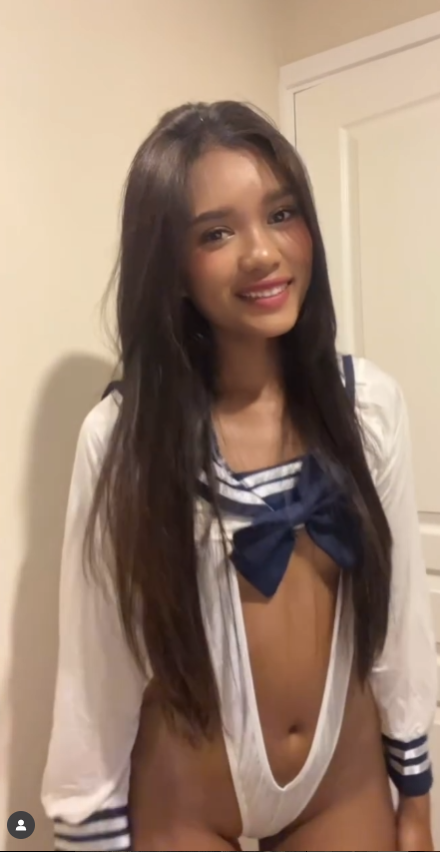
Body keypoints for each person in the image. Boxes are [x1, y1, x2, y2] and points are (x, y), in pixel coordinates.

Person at [42, 101, 436, 852]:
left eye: (281, 214)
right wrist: (85, 829)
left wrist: (415, 800)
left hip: (342, 783)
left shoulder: (368, 407)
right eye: (216, 233)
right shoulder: (124, 438)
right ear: (171, 266)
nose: (262, 252)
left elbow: (399, 617)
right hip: (188, 794)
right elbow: (96, 667)